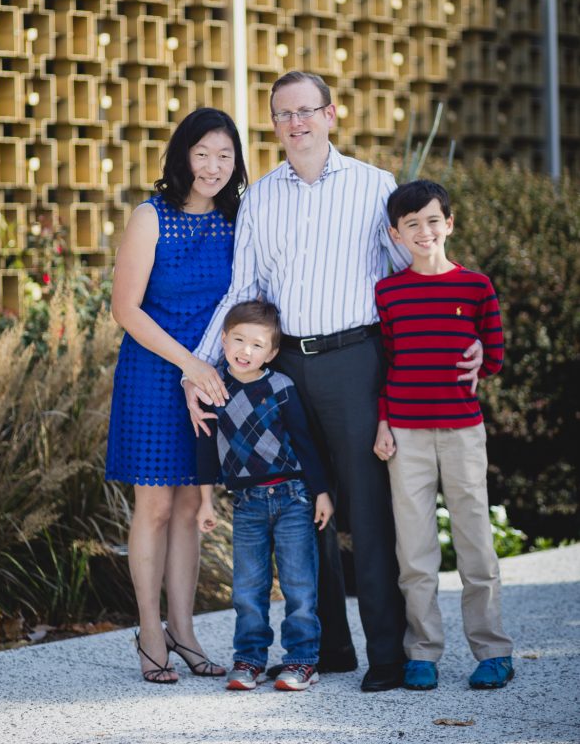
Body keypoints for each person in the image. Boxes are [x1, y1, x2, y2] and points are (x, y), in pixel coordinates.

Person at [185, 70, 483, 692]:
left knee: (369, 512)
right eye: (283, 115)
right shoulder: (261, 197)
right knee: (302, 512)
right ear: (275, 125)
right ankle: (325, 650)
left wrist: (468, 331)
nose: (296, 124)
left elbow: (422, 267)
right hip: (285, 369)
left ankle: (388, 656)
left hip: (357, 362)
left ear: (331, 114)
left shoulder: (376, 188)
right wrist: (200, 365)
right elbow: (244, 292)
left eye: (307, 111)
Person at [106, 107, 247, 684]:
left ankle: (184, 630)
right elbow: (125, 308)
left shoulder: (238, 217)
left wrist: (213, 367)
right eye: (202, 153)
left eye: (225, 155)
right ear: (182, 156)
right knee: (158, 505)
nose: (213, 166)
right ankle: (148, 631)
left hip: (210, 375)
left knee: (192, 506)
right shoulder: (151, 216)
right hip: (154, 373)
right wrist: (186, 364)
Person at [373, 179, 514, 691]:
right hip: (406, 434)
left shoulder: (476, 287)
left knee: (476, 545)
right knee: (414, 553)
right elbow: (386, 364)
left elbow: (494, 357)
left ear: (449, 223)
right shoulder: (388, 292)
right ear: (396, 234)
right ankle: (423, 652)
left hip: (461, 431)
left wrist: (481, 349)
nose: (424, 231)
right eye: (412, 224)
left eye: (433, 220)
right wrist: (384, 420)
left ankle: (493, 650)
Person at [196, 300, 334, 691]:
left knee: (299, 586)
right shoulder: (214, 388)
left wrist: (321, 493)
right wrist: (205, 501)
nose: (246, 351)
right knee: (247, 589)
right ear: (223, 339)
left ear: (272, 352)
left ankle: (302, 661)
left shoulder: (281, 387)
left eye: (257, 345)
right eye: (238, 340)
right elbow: (205, 450)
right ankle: (249, 660)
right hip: (247, 505)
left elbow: (306, 444)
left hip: (293, 498)